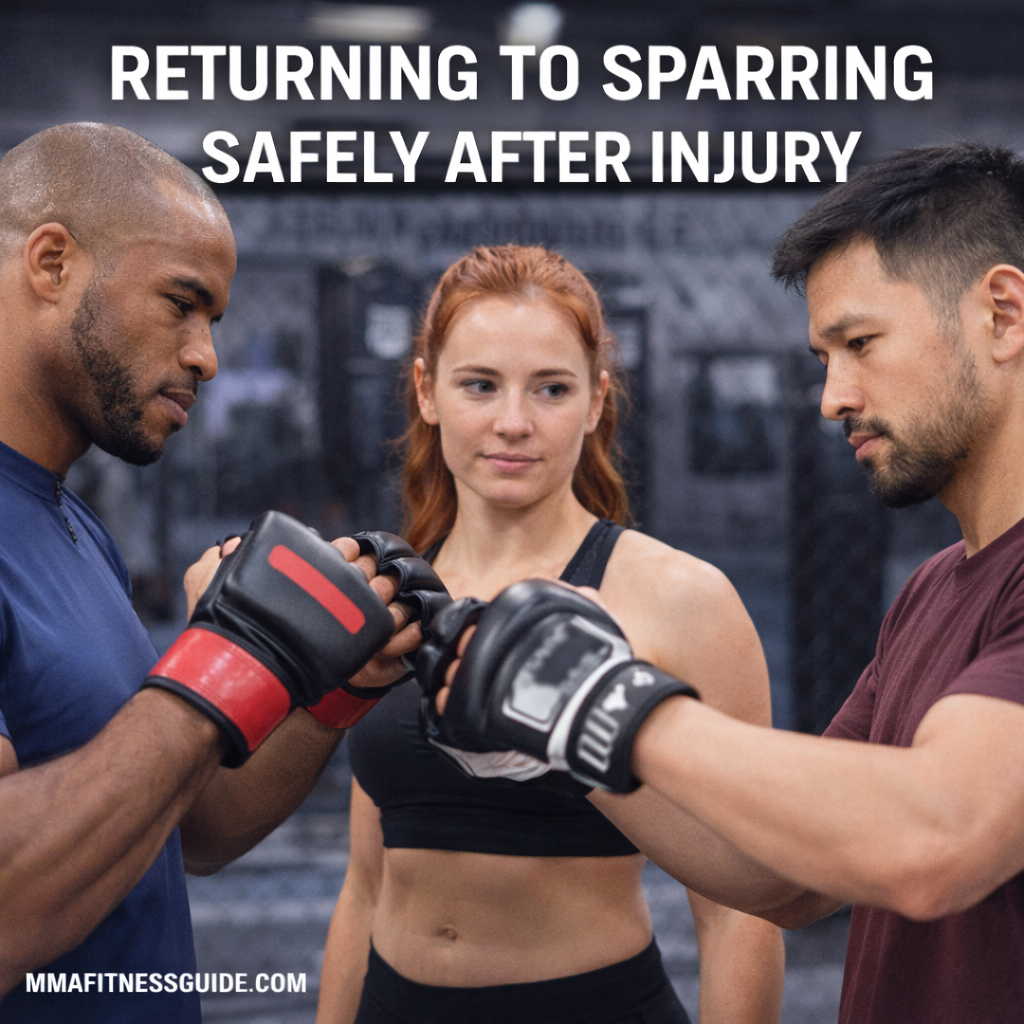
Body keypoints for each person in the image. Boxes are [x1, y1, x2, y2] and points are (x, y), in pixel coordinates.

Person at [426, 144, 1024, 1024]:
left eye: (860, 343)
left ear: (1003, 315)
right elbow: (785, 878)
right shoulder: (937, 589)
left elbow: (934, 838)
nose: (833, 397)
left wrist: (607, 698)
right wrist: (560, 735)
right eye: (825, 356)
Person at [0, 123, 428, 1022]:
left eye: (214, 319)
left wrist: (320, 684)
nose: (207, 355)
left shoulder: (69, 524)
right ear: (51, 264)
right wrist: (222, 657)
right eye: (180, 302)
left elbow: (189, 829)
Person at [316, 245, 784, 1024]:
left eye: (552, 389)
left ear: (597, 401)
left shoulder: (679, 598)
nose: (513, 423)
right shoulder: (393, 598)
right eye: (479, 385)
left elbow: (740, 908)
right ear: (427, 393)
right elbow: (365, 884)